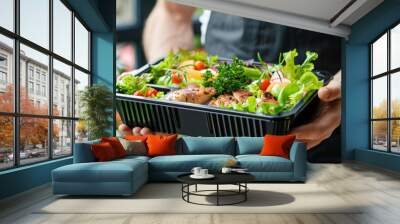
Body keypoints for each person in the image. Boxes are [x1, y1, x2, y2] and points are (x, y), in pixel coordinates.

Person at [142, 1, 342, 162]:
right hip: (209, 132)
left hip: (325, 133)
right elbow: (172, 10)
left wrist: (350, 88)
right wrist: (168, 103)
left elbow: (373, 20)